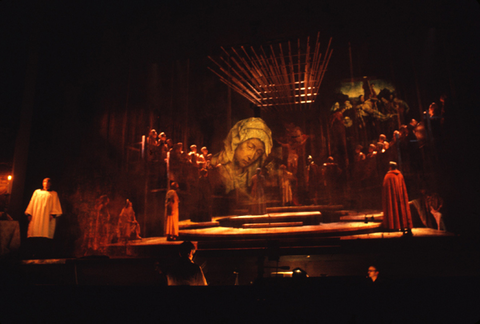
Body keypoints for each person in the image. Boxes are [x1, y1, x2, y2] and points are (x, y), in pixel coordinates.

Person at [210, 117, 272, 194]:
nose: (251, 157)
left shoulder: (250, 176)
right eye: (250, 147)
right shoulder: (217, 170)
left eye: (258, 153)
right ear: (236, 142)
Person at [25, 178, 62, 258]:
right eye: (45, 181)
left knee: (45, 233)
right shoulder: (37, 192)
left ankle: (44, 254)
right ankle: (33, 253)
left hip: (46, 218)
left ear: (51, 183)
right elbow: (32, 202)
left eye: (49, 181)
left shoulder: (53, 194)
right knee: (34, 232)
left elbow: (56, 205)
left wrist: (53, 214)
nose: (46, 183)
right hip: (36, 216)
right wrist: (29, 213)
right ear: (42, 183)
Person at [382, 162, 413, 235]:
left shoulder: (388, 176)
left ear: (390, 167)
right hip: (401, 197)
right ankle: (403, 226)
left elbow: (385, 189)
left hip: (392, 199)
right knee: (402, 210)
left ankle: (394, 226)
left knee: (393, 208)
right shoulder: (400, 175)